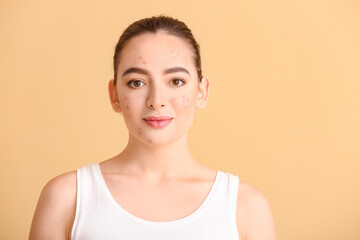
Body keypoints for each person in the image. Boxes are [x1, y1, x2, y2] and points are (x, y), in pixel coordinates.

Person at [29, 16, 277, 240]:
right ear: (114, 95)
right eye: (137, 82)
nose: (156, 100)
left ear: (201, 92)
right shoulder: (66, 197)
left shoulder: (246, 206)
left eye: (176, 81)